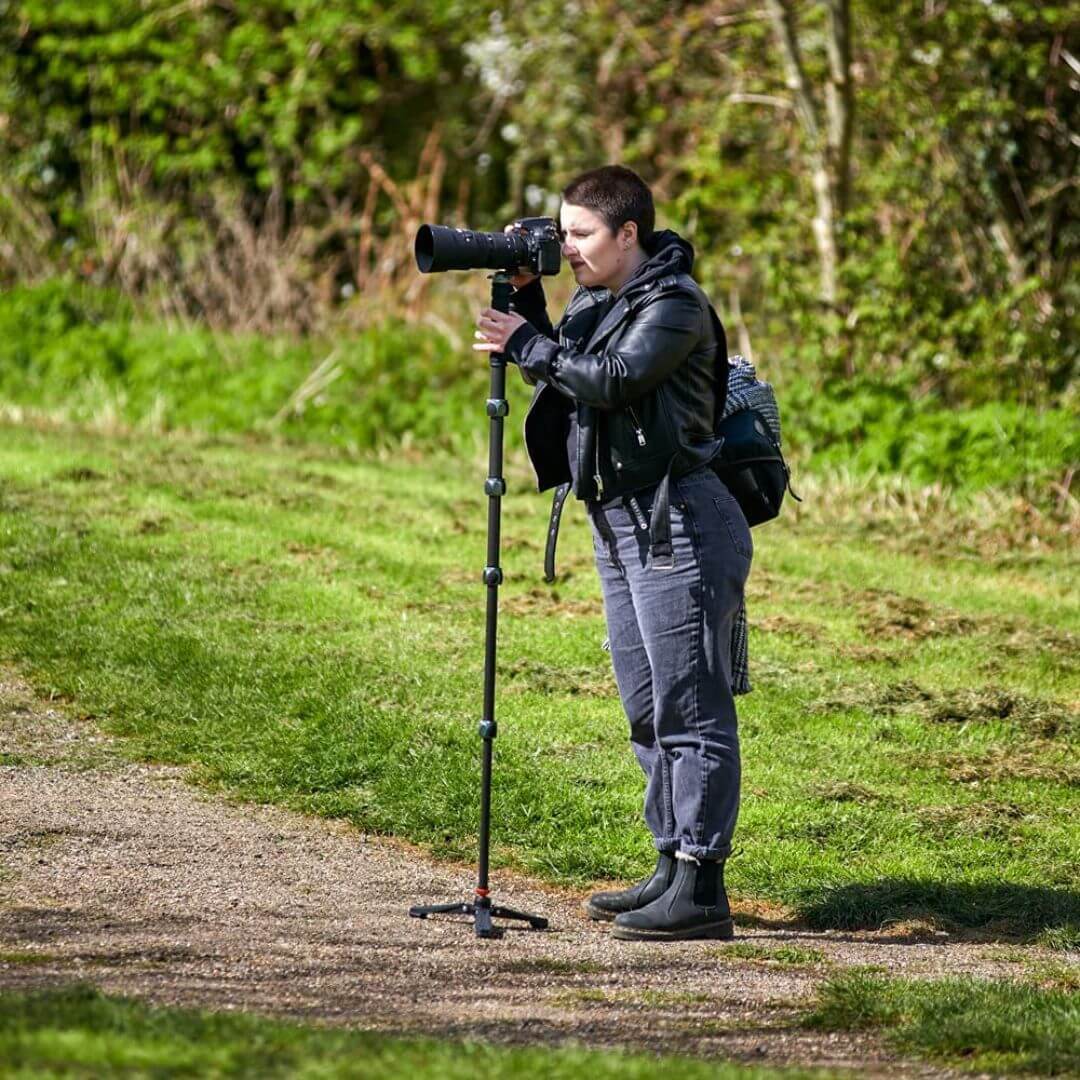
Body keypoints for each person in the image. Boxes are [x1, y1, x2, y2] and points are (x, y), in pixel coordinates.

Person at [473, 165, 752, 941]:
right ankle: (669, 863)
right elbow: (569, 358)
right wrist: (529, 300)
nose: (568, 247)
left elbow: (613, 378)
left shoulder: (673, 305)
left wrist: (525, 342)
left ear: (629, 234)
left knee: (690, 706)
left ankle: (701, 885)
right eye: (562, 232)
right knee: (644, 705)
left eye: (580, 234)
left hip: (681, 520)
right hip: (619, 520)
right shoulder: (605, 297)